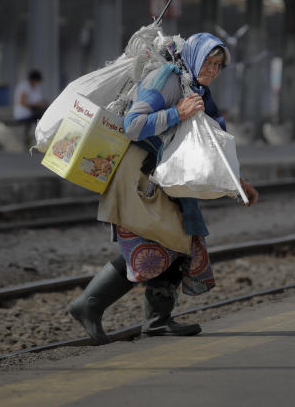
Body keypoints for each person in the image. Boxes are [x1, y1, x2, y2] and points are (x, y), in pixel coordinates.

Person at [67, 33, 259, 344]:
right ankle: (93, 306)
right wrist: (177, 113)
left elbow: (210, 141)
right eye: (208, 61)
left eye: (218, 65)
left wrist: (238, 182)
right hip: (139, 176)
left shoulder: (193, 87)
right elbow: (132, 125)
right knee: (164, 244)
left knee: (173, 243)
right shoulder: (167, 79)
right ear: (194, 57)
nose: (212, 69)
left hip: (162, 177)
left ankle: (151, 318)